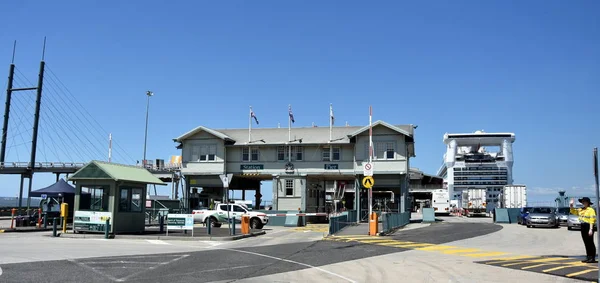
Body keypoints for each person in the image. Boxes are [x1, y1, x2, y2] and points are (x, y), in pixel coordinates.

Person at [570, 197, 597, 263]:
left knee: (590, 242)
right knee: (586, 242)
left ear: (588, 203)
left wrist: (591, 229)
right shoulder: (581, 209)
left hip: (588, 226)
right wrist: (571, 205)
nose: (583, 203)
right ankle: (588, 257)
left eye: (584, 202)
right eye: (582, 202)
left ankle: (592, 258)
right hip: (583, 226)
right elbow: (573, 211)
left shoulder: (591, 210)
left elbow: (592, 219)